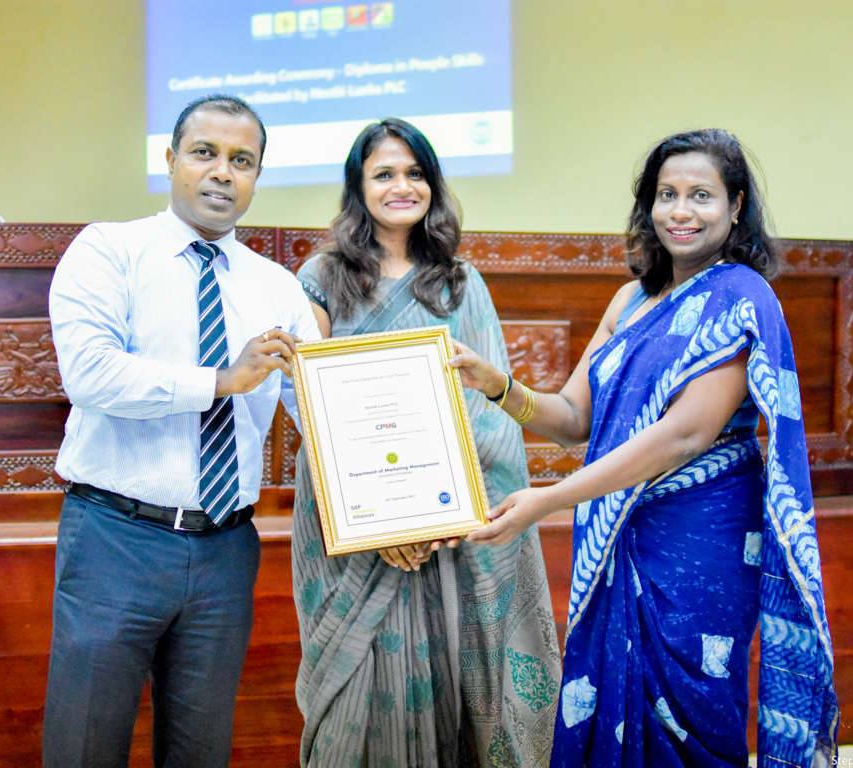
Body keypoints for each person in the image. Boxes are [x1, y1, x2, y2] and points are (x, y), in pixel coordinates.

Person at [451, 129, 838, 767]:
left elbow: (686, 433)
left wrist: (548, 499)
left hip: (701, 542)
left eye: (701, 195)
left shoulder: (741, 297)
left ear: (736, 205)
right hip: (619, 533)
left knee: (693, 712)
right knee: (612, 705)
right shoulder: (629, 300)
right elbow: (574, 418)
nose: (681, 211)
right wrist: (498, 386)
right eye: (667, 194)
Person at [43, 94, 320, 767]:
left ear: (257, 176)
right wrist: (222, 379)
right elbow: (92, 375)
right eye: (205, 153)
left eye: (242, 161)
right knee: (84, 745)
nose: (223, 172)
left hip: (226, 547)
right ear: (170, 160)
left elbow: (321, 408)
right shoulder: (109, 250)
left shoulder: (277, 285)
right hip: (116, 538)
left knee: (200, 751)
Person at [293, 118, 561, 767]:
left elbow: (487, 413)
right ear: (359, 187)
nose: (402, 186)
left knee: (452, 681)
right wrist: (384, 522)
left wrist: (433, 516)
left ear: (433, 185)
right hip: (353, 518)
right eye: (384, 173)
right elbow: (309, 398)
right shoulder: (322, 276)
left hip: (449, 526)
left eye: (415, 173)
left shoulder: (459, 281)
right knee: (356, 689)